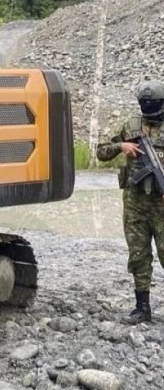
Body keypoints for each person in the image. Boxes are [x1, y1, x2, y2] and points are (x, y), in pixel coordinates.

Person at [96, 80, 164, 325]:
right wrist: (120, 146)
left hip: (161, 204)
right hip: (135, 203)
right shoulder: (131, 125)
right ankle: (142, 307)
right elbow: (100, 152)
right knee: (138, 256)